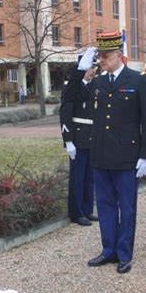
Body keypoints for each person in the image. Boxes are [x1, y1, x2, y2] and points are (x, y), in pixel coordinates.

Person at [81, 32, 146, 274]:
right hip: (101, 155)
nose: (101, 60)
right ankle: (108, 250)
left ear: (118, 56)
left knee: (127, 207)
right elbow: (78, 100)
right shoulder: (97, 82)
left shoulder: (138, 80)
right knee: (104, 205)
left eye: (105, 56)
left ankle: (124, 253)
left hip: (127, 156)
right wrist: (79, 75)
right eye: (100, 56)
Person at [59, 57, 98, 227]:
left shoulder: (95, 86)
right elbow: (65, 114)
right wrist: (68, 141)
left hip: (93, 138)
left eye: (94, 68)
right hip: (77, 138)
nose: (94, 71)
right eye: (91, 68)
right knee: (77, 178)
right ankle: (76, 212)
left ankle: (87, 209)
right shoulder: (71, 88)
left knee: (90, 177)